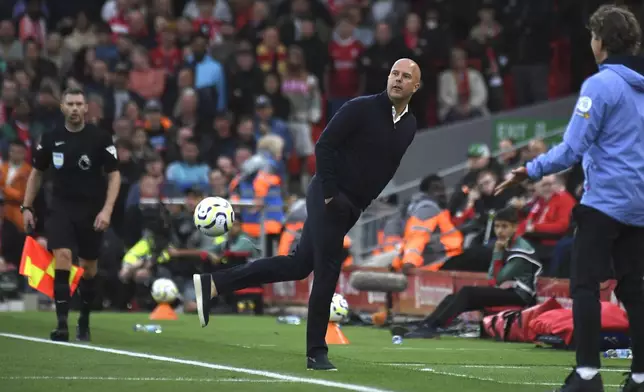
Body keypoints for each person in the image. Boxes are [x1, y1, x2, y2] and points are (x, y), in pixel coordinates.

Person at [193, 58, 421, 370]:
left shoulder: (409, 125)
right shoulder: (361, 108)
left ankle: (213, 284)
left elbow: (387, 167)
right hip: (328, 195)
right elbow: (324, 145)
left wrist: (361, 203)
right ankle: (317, 351)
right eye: (394, 73)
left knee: (299, 265)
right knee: (327, 270)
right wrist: (330, 194)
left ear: (415, 86)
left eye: (405, 77)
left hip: (352, 204)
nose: (397, 80)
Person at [495, 5, 644, 391]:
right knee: (634, 289)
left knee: (584, 287)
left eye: (593, 37)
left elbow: (571, 150)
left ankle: (587, 375)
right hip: (639, 205)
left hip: (604, 204)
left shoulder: (601, 85)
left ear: (601, 42)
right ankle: (640, 377)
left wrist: (527, 171)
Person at [22, 87, 120, 342]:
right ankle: (62, 323)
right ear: (63, 108)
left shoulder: (100, 138)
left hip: (91, 210)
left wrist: (107, 210)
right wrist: (26, 206)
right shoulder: (51, 137)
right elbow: (37, 173)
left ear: (86, 108)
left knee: (89, 269)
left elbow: (114, 174)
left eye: (79, 104)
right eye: (70, 104)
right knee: (63, 256)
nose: (75, 108)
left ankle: (84, 319)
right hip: (61, 207)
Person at [391, 206, 541, 338]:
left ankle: (434, 327)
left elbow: (497, 279)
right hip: (507, 290)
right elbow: (492, 277)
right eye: (497, 226)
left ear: (515, 227)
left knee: (467, 292)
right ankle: (426, 324)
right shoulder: (507, 244)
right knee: (452, 297)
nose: (500, 231)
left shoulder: (520, 251)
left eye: (504, 227)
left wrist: (497, 253)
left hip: (521, 296)